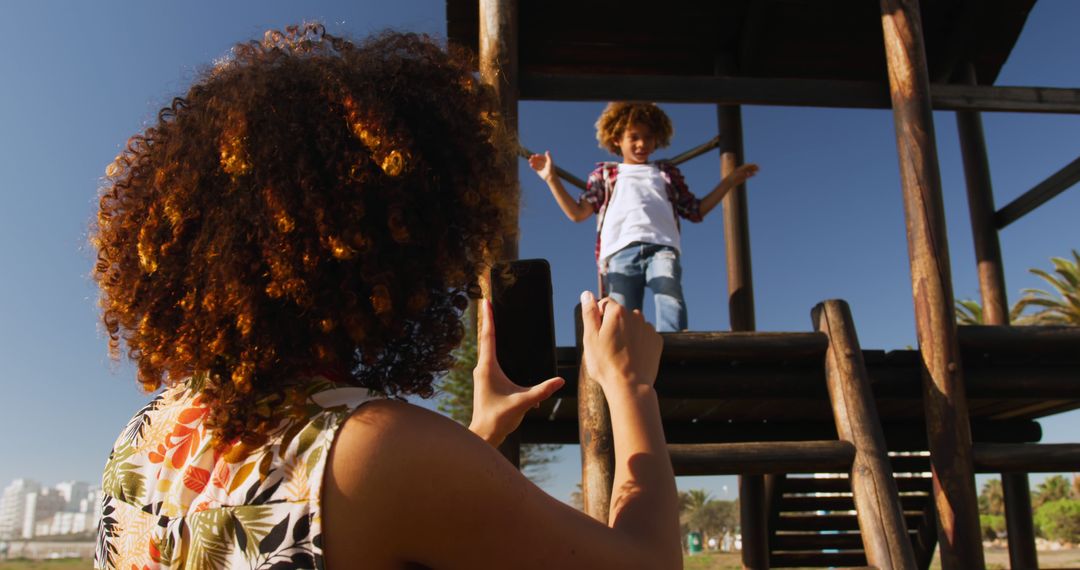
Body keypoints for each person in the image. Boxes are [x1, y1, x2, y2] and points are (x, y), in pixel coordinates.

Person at [92, 25, 681, 570]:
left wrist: (475, 438)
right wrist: (630, 388)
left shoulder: (142, 435)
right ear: (400, 246)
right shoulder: (388, 450)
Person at [529, 102, 759, 331]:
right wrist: (551, 178)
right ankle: (627, 355)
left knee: (669, 292)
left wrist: (729, 181)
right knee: (620, 312)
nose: (641, 144)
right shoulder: (606, 174)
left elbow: (695, 209)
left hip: (662, 246)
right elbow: (578, 213)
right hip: (619, 251)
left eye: (648, 137)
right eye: (634, 137)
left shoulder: (665, 173)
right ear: (617, 139)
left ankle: (674, 348)